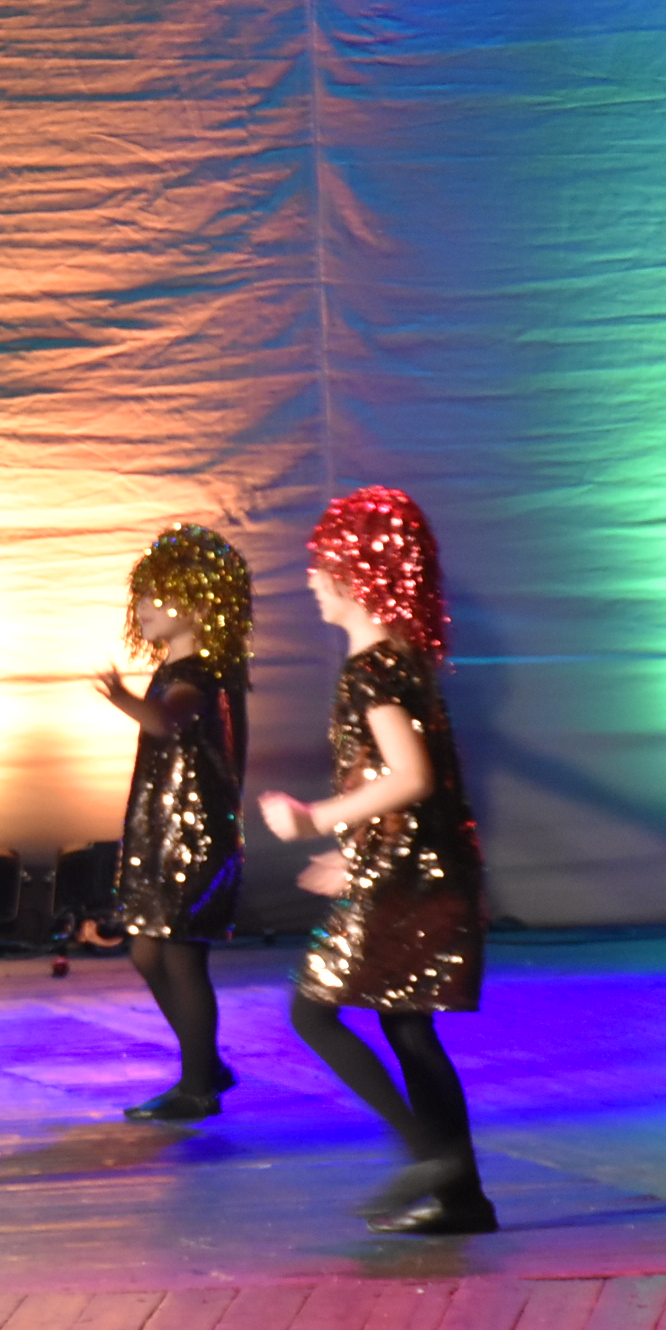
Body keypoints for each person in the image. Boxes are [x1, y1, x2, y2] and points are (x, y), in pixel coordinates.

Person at [257, 486, 496, 1235]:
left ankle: (430, 1158)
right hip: (416, 866)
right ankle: (462, 1198)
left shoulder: (371, 670)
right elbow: (398, 783)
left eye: (322, 564)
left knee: (314, 1012)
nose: (310, 579)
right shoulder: (399, 661)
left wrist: (314, 818)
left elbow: (412, 776)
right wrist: (349, 849)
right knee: (407, 1028)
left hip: (408, 876)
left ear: (358, 573)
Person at [92, 523, 252, 1120]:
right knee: (146, 953)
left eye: (159, 596)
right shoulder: (176, 670)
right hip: (159, 832)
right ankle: (204, 1063)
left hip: (194, 838)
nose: (143, 606)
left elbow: (167, 720)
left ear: (202, 605)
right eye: (141, 595)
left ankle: (197, 1086)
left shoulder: (202, 674)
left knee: (181, 956)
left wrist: (123, 700)